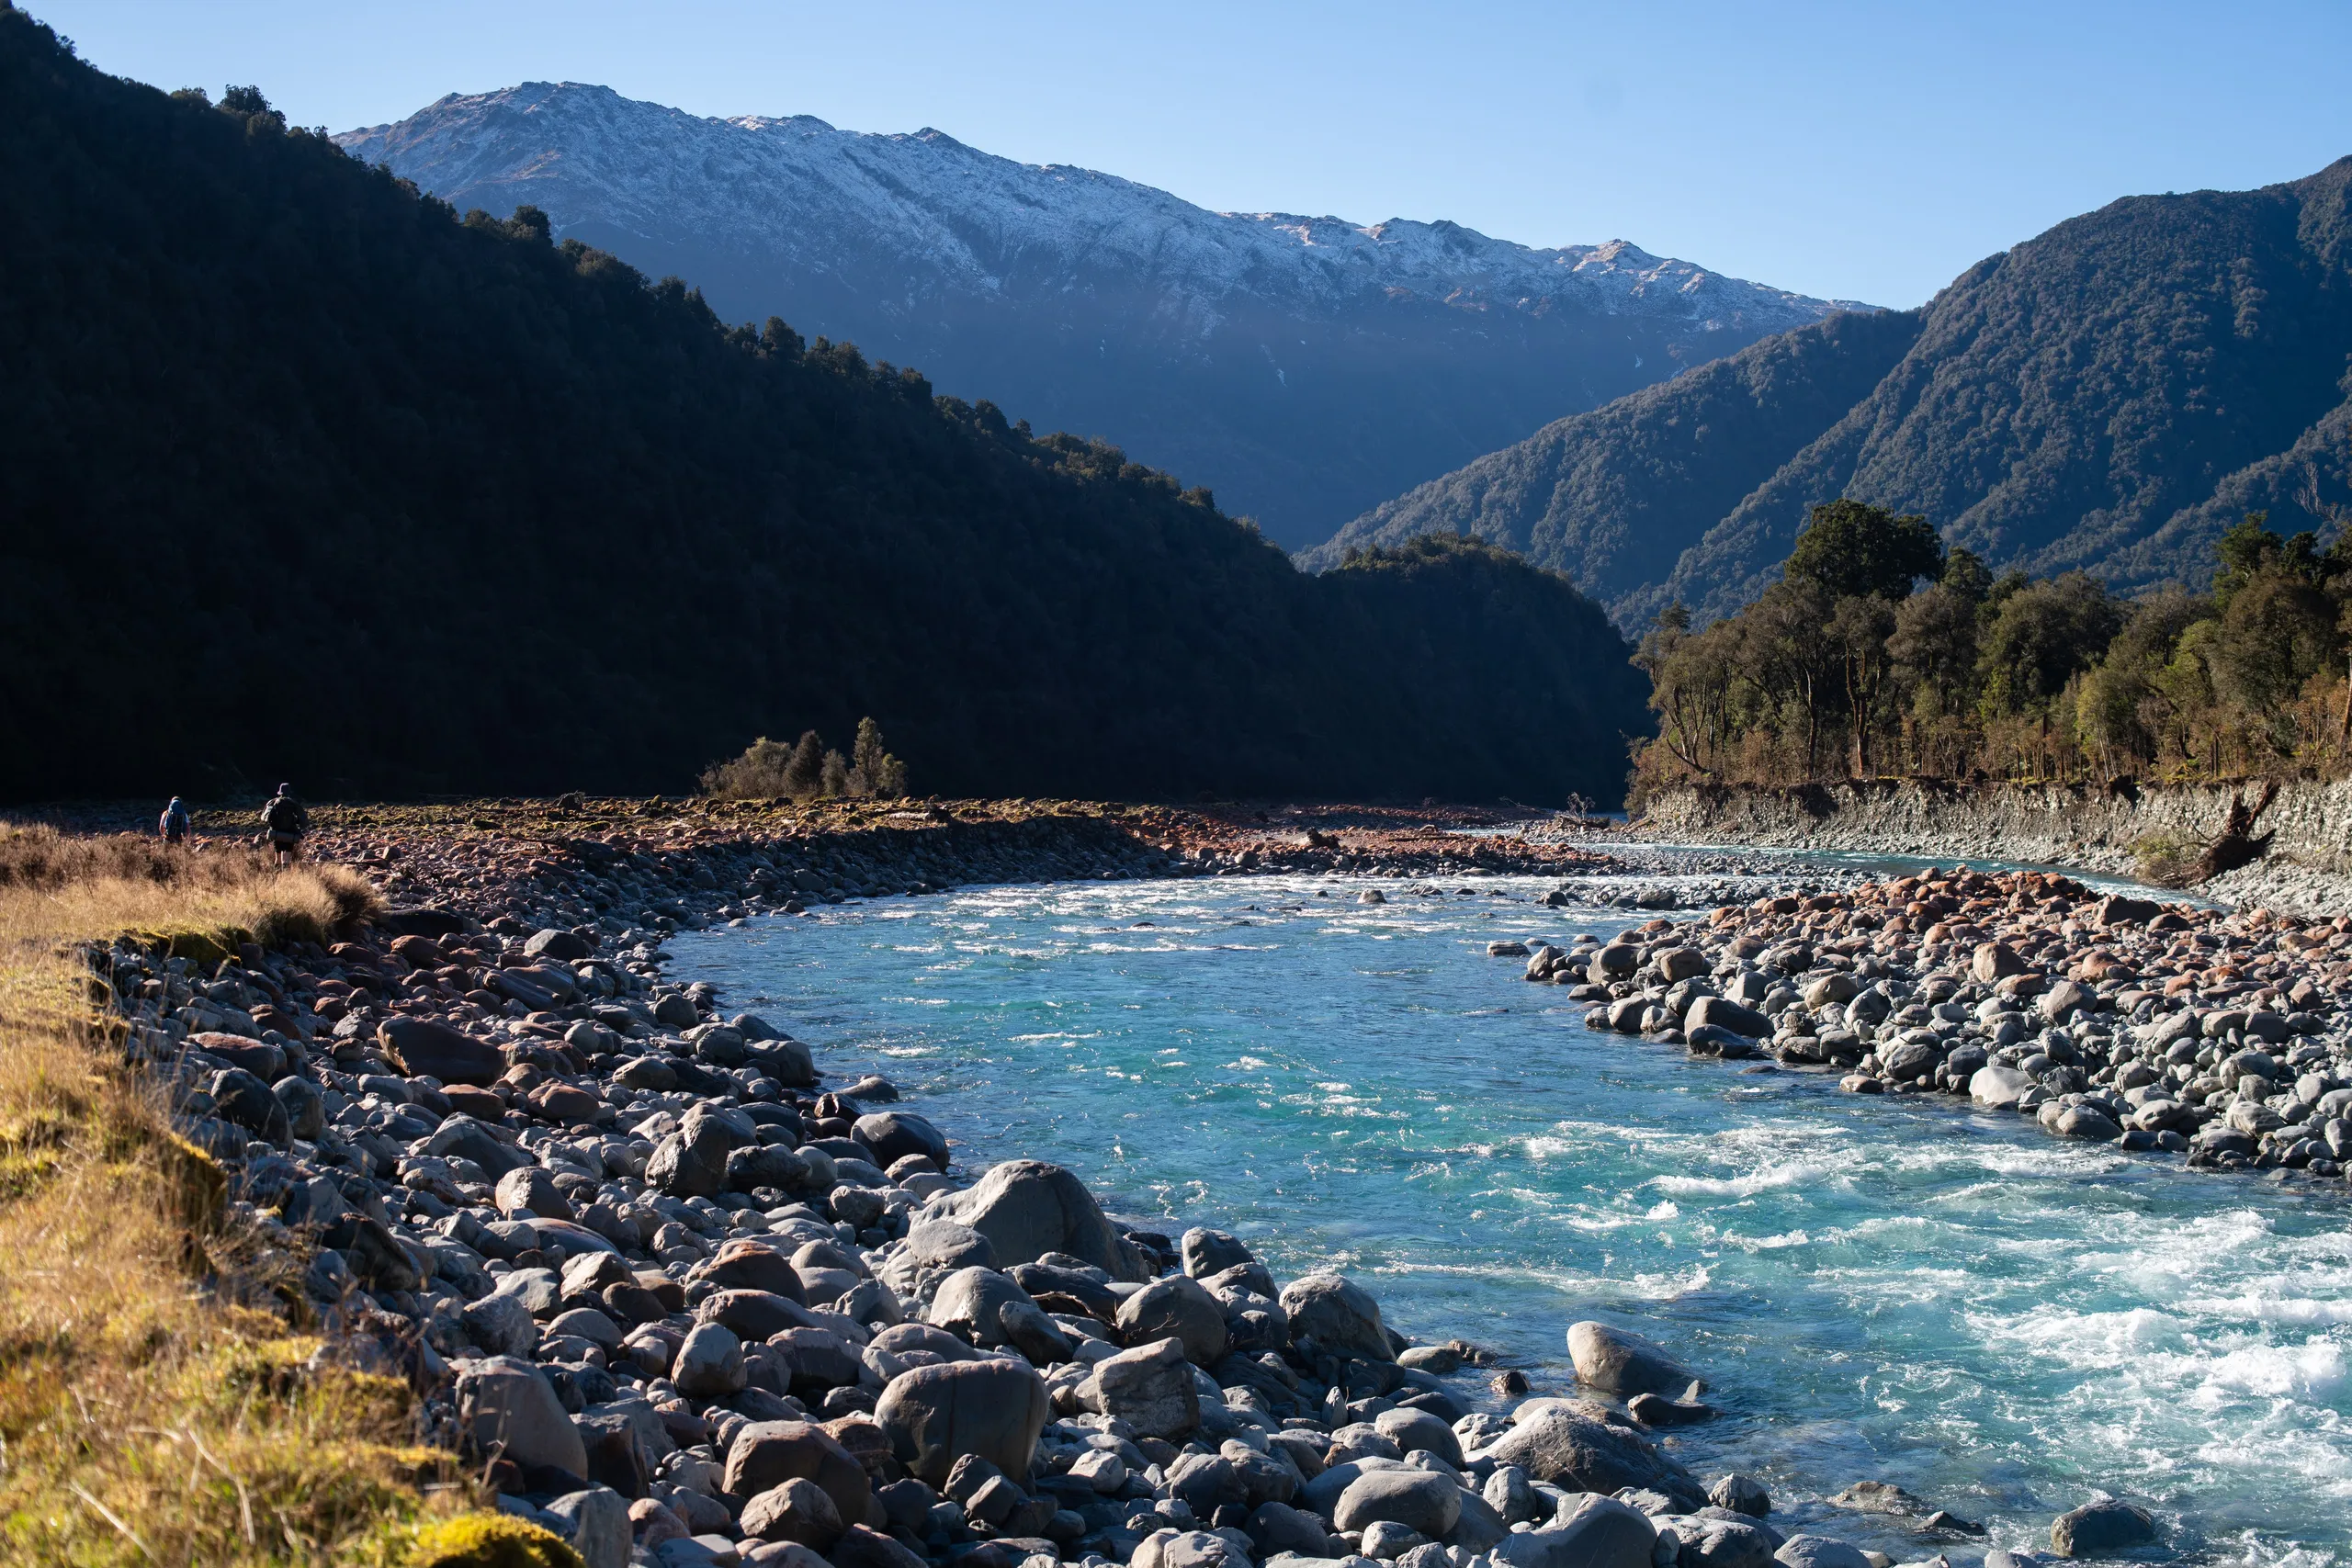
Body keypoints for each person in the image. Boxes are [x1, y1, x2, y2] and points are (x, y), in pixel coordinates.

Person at [262, 783, 309, 866]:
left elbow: (265, 818)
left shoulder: (273, 802)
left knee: (278, 859)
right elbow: (303, 819)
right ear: (289, 792)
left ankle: (277, 875)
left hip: (276, 833)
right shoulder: (293, 803)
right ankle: (286, 876)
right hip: (290, 833)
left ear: (280, 792)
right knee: (286, 859)